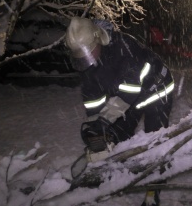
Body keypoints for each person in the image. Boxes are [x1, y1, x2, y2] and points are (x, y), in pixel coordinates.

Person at [65, 17, 174, 206]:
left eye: (88, 53)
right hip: (129, 95)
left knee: (155, 140)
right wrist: (95, 124)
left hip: (156, 88)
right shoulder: (88, 64)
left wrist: (106, 119)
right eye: (81, 56)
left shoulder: (124, 48)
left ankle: (152, 191)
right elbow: (92, 96)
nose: (86, 60)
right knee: (117, 134)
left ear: (98, 38)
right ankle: (119, 173)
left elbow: (129, 90)